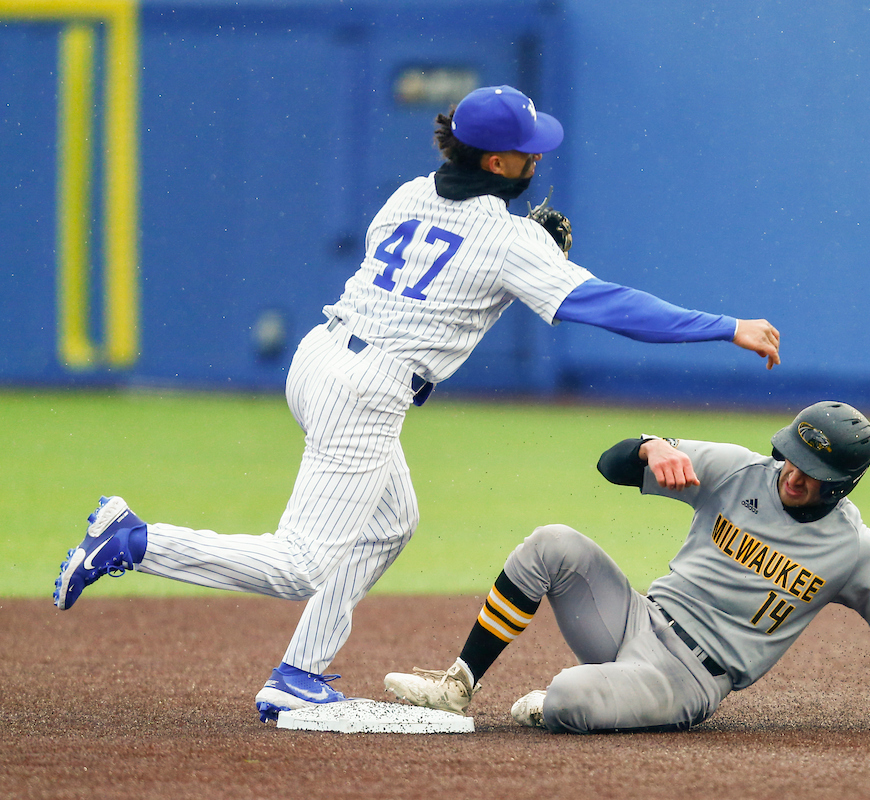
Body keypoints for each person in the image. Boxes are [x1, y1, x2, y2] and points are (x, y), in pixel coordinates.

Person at [51, 85, 782, 723]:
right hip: (366, 390)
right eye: (527, 152)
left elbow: (439, 287)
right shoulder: (509, 238)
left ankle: (297, 675)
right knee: (298, 565)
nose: (537, 161)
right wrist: (724, 326)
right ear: (496, 162)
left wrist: (533, 255)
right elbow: (610, 306)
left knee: (392, 520)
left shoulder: (411, 193)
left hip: (321, 358)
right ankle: (135, 540)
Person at [383, 401, 870, 736]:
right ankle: (458, 685)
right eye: (792, 455)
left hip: (688, 680)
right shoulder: (738, 472)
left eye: (811, 470)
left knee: (566, 698)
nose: (792, 473)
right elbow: (609, 465)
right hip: (635, 618)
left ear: (843, 483)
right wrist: (649, 446)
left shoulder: (857, 551)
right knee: (551, 543)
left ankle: (584, 699)